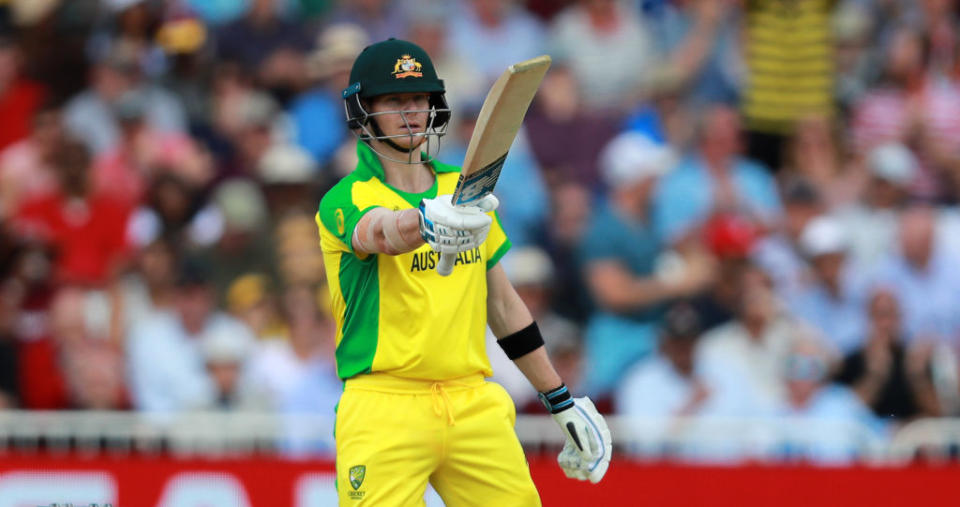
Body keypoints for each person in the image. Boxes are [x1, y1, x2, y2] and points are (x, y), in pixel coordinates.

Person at [316, 39, 610, 505]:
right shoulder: (347, 197)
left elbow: (503, 304)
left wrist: (560, 398)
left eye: (418, 98)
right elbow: (377, 233)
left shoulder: (465, 190)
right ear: (363, 110)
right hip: (384, 404)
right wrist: (425, 220)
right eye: (393, 100)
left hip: (473, 401)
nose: (411, 111)